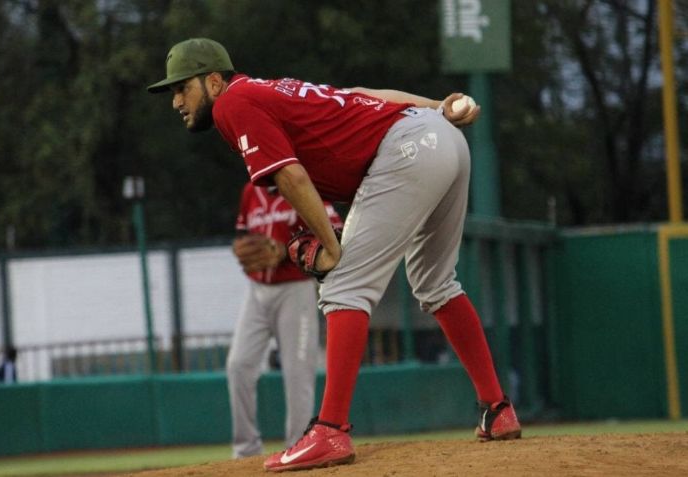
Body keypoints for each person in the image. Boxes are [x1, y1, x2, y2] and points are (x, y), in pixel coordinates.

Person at [148, 38, 521, 472]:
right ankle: (497, 410)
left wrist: (330, 247)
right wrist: (440, 107)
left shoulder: (234, 103)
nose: (175, 100)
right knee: (436, 283)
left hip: (409, 149)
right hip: (443, 140)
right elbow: (369, 96)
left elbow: (291, 175)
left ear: (213, 81)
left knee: (343, 282)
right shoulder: (272, 90)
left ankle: (331, 430)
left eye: (182, 88)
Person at [228, 182, 342, 458]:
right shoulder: (250, 191)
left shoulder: (302, 185)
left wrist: (286, 251)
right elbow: (243, 235)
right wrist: (240, 247)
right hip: (257, 291)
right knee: (238, 365)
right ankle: (246, 451)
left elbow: (336, 235)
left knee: (297, 373)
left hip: (295, 289)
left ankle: (297, 446)